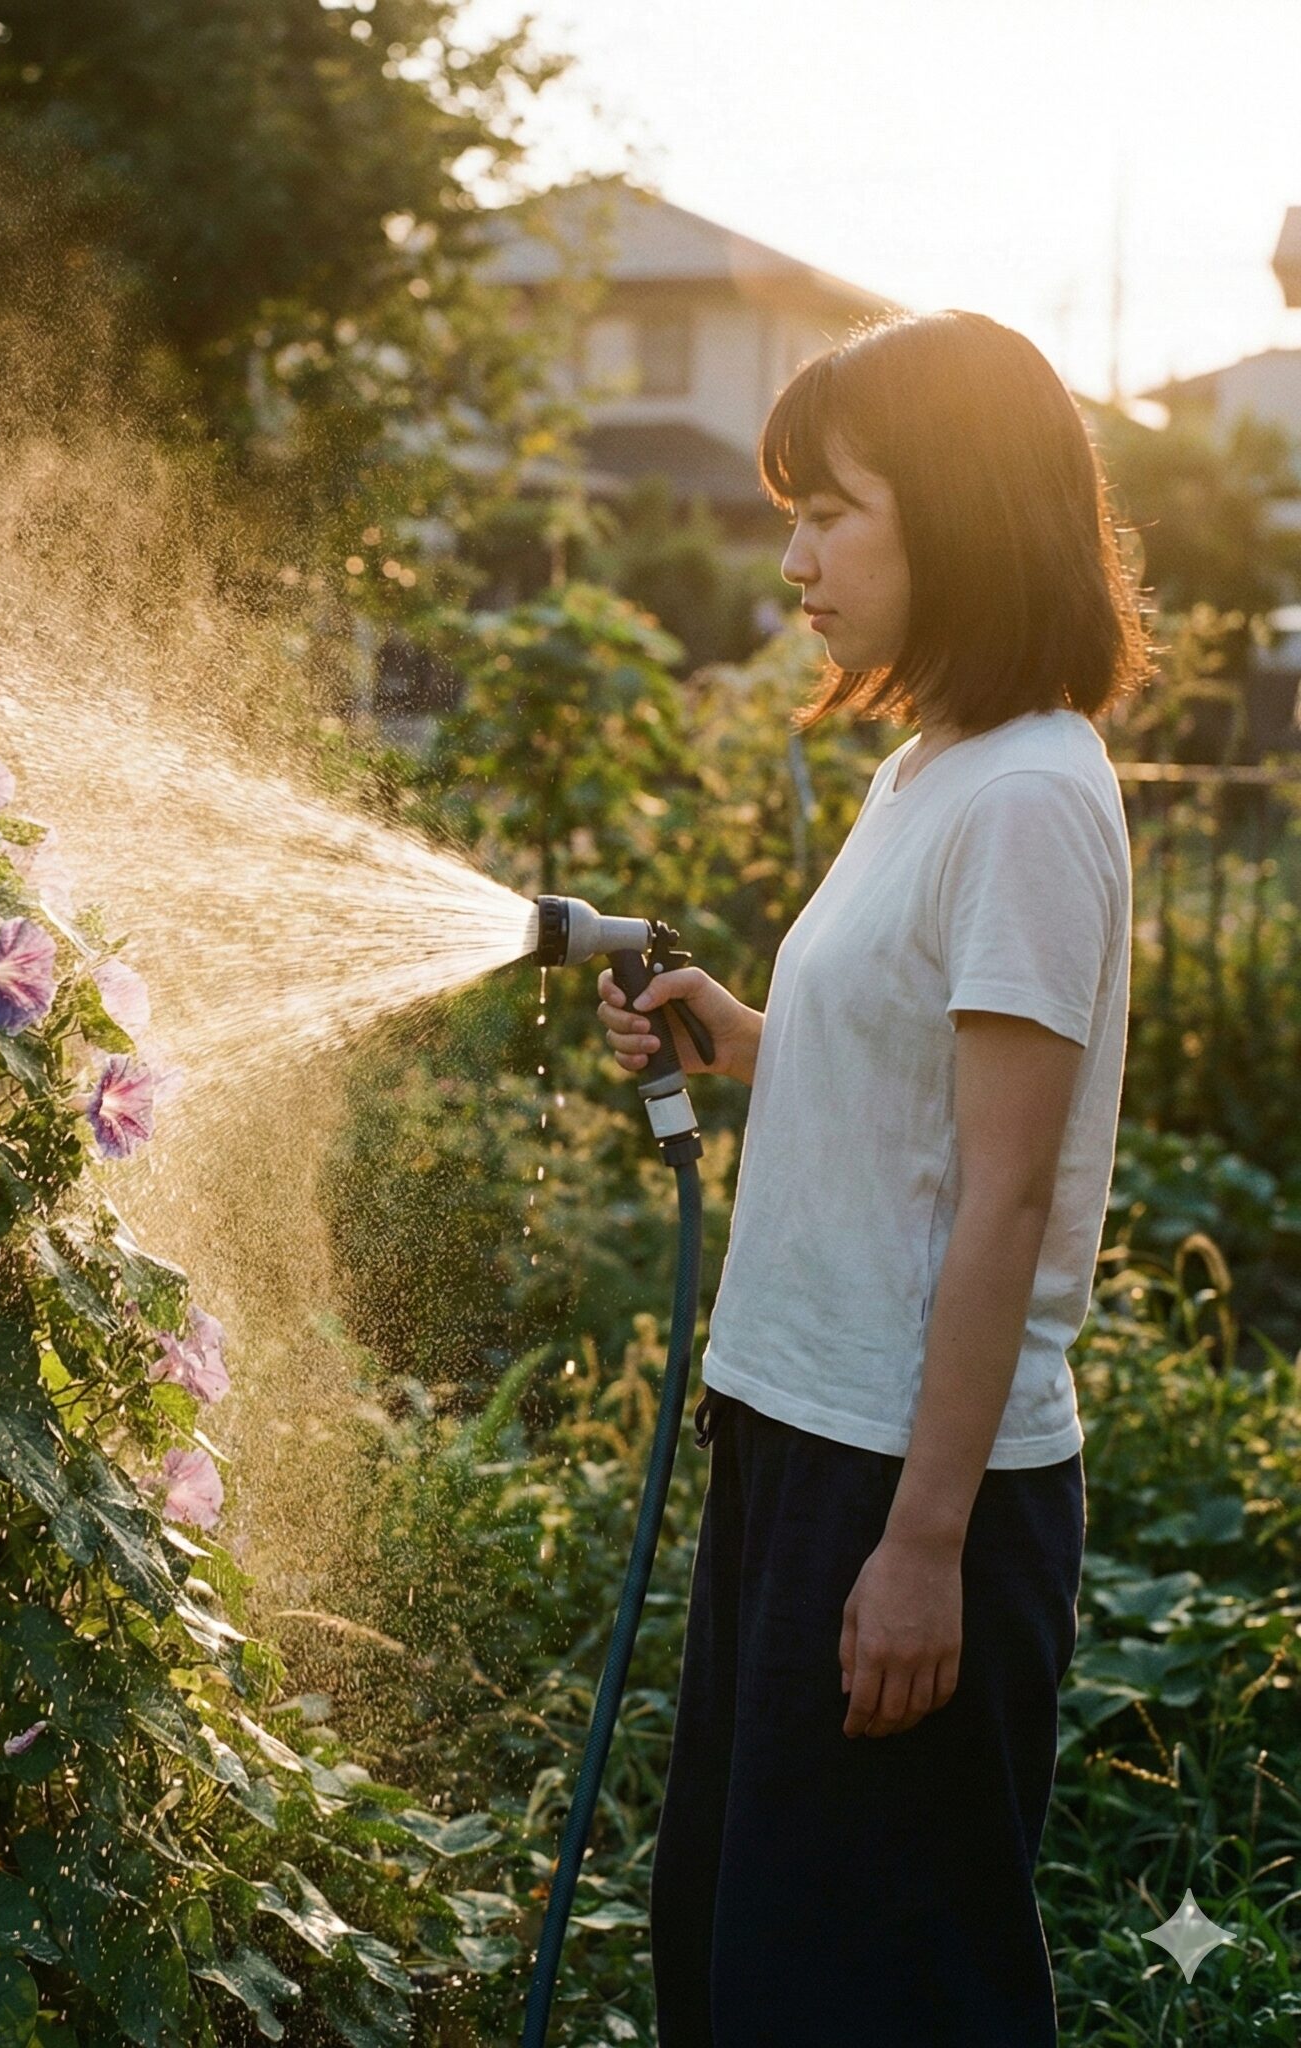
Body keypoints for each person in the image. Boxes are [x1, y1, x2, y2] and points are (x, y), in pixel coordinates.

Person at [597, 309, 1149, 2046]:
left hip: (906, 1481)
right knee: (748, 1946)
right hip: (802, 1434)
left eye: (835, 509)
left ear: (966, 514)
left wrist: (924, 1542)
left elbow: (1006, 1194)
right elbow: (920, 1086)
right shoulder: (931, 774)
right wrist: (743, 1033)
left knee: (878, 1979)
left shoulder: (1030, 803)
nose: (794, 557)